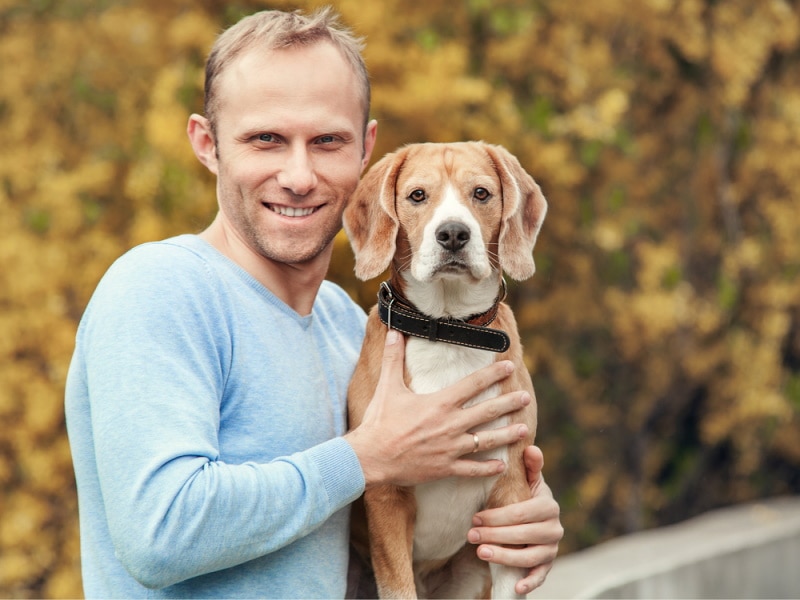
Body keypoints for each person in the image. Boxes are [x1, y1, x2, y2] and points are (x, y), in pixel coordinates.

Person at [65, 6, 562, 598]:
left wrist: (517, 517)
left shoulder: (349, 326)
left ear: (365, 152)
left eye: (327, 141)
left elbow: (374, 536)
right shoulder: (158, 289)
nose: (298, 176)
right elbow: (160, 530)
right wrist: (363, 458)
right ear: (207, 144)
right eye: (265, 139)